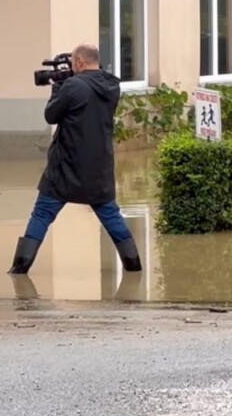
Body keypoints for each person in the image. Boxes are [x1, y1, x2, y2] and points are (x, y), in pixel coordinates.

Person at [8, 43, 142, 276]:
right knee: (111, 215)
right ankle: (134, 267)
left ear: (79, 61)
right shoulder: (112, 86)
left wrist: (58, 86)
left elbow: (51, 115)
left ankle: (19, 269)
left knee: (41, 215)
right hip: (99, 168)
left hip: (65, 167)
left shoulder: (71, 86)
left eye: (71, 62)